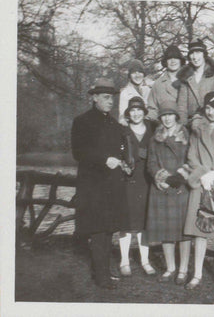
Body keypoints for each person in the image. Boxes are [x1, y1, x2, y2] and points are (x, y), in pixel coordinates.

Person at [71, 77, 130, 289]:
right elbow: (79, 152)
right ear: (94, 98)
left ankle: (103, 271)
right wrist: (105, 160)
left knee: (107, 230)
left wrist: (124, 161)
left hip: (111, 185)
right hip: (93, 186)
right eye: (105, 97)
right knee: (97, 230)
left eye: (111, 98)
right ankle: (102, 277)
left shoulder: (114, 124)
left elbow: (121, 150)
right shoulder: (82, 121)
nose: (110, 101)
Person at [183, 92, 214, 290]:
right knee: (199, 228)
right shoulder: (197, 129)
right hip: (202, 182)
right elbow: (191, 156)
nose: (212, 112)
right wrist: (203, 173)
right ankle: (196, 274)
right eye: (208, 108)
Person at [146, 101, 191, 285]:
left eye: (170, 114)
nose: (167, 118)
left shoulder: (186, 136)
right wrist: (160, 177)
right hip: (163, 188)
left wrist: (180, 176)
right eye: (163, 115)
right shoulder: (155, 138)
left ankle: (183, 269)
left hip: (181, 187)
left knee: (184, 231)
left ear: (176, 116)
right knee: (166, 229)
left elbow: (192, 158)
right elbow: (151, 162)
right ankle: (171, 267)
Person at [118, 97, 156, 277]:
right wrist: (121, 163)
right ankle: (124, 260)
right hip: (128, 181)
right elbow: (115, 153)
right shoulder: (122, 131)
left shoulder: (152, 128)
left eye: (139, 110)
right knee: (125, 222)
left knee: (144, 222)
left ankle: (145, 261)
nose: (136, 113)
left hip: (147, 180)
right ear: (128, 113)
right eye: (132, 110)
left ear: (144, 112)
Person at [177, 39, 214, 124]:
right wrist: (183, 128)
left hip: (213, 121)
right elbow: (182, 107)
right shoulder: (186, 77)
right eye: (192, 53)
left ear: (204, 55)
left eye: (198, 52)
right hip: (192, 123)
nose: (195, 57)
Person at [147, 45, 186, 121]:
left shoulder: (189, 80)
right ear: (165, 62)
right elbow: (152, 109)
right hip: (164, 126)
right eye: (169, 58)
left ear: (181, 60)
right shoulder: (158, 84)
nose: (173, 61)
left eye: (176, 58)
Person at [119, 59, 151, 125]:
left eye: (140, 72)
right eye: (134, 73)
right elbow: (122, 118)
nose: (137, 75)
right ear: (130, 76)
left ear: (143, 74)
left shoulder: (149, 90)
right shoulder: (125, 93)